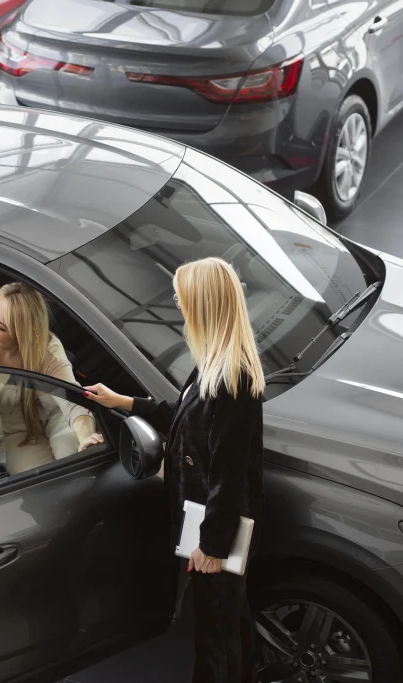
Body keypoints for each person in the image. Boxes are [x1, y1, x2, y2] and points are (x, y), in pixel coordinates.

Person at [83, 257, 265, 683]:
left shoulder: (230, 380)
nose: (177, 304)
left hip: (214, 530)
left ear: (202, 305)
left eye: (182, 298)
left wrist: (212, 546)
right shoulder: (215, 365)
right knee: (227, 622)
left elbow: (228, 474)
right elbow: (184, 420)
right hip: (208, 524)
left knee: (217, 634)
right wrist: (123, 402)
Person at [0, 282, 105, 475]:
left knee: (77, 463)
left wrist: (87, 437)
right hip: (13, 431)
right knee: (41, 479)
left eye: (1, 327)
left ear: (22, 333)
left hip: (55, 417)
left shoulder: (47, 350)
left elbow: (72, 401)